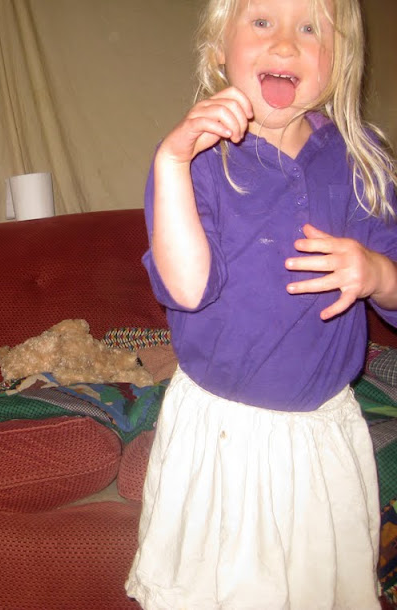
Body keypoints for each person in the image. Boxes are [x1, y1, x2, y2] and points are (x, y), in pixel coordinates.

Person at [125, 0, 397, 608]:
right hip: (220, 437)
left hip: (324, 437)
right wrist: (171, 162)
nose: (285, 44)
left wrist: (377, 272)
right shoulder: (195, 159)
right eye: (262, 22)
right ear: (218, 49)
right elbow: (187, 288)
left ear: (340, 59)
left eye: (310, 28)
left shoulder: (361, 160)